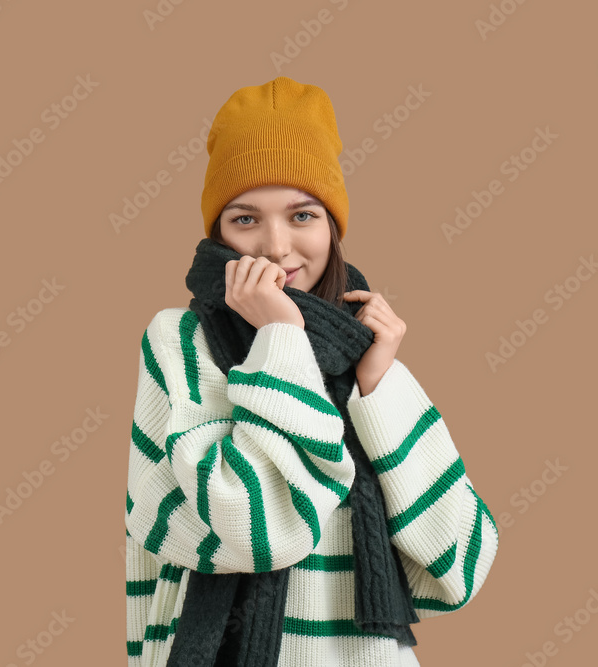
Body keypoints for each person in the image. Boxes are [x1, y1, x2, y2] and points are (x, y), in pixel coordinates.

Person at [123, 76, 499, 667]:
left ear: (332, 226)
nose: (276, 247)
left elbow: (460, 565)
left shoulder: (360, 348)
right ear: (218, 232)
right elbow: (257, 533)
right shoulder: (180, 341)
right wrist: (280, 337)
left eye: (302, 215)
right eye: (245, 219)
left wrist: (378, 387)